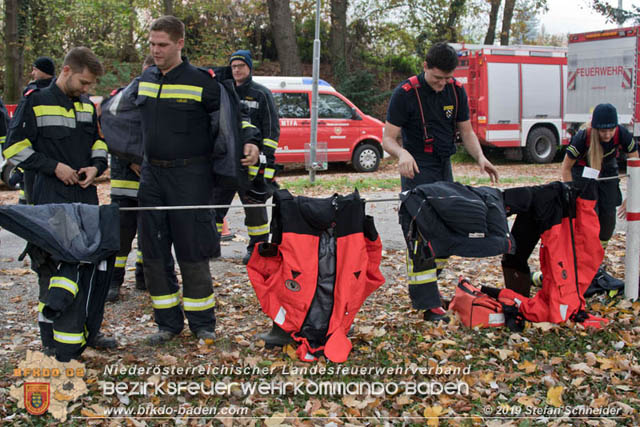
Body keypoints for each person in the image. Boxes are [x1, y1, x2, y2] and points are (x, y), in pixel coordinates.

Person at [135, 16, 259, 345]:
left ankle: (202, 323)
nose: (156, 50)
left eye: (162, 45)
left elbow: (234, 119)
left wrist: (251, 141)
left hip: (190, 176)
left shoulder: (203, 82)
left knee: (192, 252)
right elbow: (124, 119)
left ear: (179, 44)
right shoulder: (145, 79)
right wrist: (132, 159)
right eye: (151, 44)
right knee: (153, 253)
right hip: (151, 177)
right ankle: (167, 324)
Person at [2, 46, 117, 353]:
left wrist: (96, 166)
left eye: (91, 85)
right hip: (49, 203)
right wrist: (54, 167)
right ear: (66, 71)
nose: (87, 89)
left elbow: (98, 142)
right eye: (84, 82)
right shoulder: (35, 102)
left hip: (85, 200)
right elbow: (13, 150)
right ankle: (53, 345)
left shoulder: (84, 105)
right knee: (51, 275)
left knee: (89, 270)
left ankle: (89, 333)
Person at [383, 42, 499, 323]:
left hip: (443, 167)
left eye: (447, 78)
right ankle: (428, 303)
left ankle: (427, 289)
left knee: (447, 230)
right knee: (421, 235)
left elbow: (467, 131)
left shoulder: (455, 92)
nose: (442, 84)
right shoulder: (405, 94)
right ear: (425, 67)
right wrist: (402, 153)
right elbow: (387, 139)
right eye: (437, 78)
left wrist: (480, 157)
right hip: (416, 170)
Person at [213, 49, 280, 265]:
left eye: (241, 65)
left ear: (249, 67)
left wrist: (265, 157)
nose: (236, 70)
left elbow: (271, 129)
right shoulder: (222, 91)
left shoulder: (261, 93)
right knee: (214, 206)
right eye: (233, 66)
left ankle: (257, 248)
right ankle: (210, 245)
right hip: (225, 161)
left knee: (255, 208)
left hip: (252, 162)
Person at [104, 54, 156, 302]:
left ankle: (144, 278)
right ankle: (113, 281)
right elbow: (112, 129)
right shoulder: (123, 95)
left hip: (153, 178)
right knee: (121, 234)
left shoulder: (162, 98)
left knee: (150, 232)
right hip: (126, 177)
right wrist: (133, 158)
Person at [562, 103, 639, 250]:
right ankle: (586, 252)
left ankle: (600, 252)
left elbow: (635, 165)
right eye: (603, 131)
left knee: (608, 219)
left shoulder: (621, 133)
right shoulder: (582, 137)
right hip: (583, 171)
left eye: (611, 130)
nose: (608, 134)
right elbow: (566, 168)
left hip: (608, 168)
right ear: (596, 128)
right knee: (591, 215)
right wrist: (571, 194)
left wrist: (632, 196)